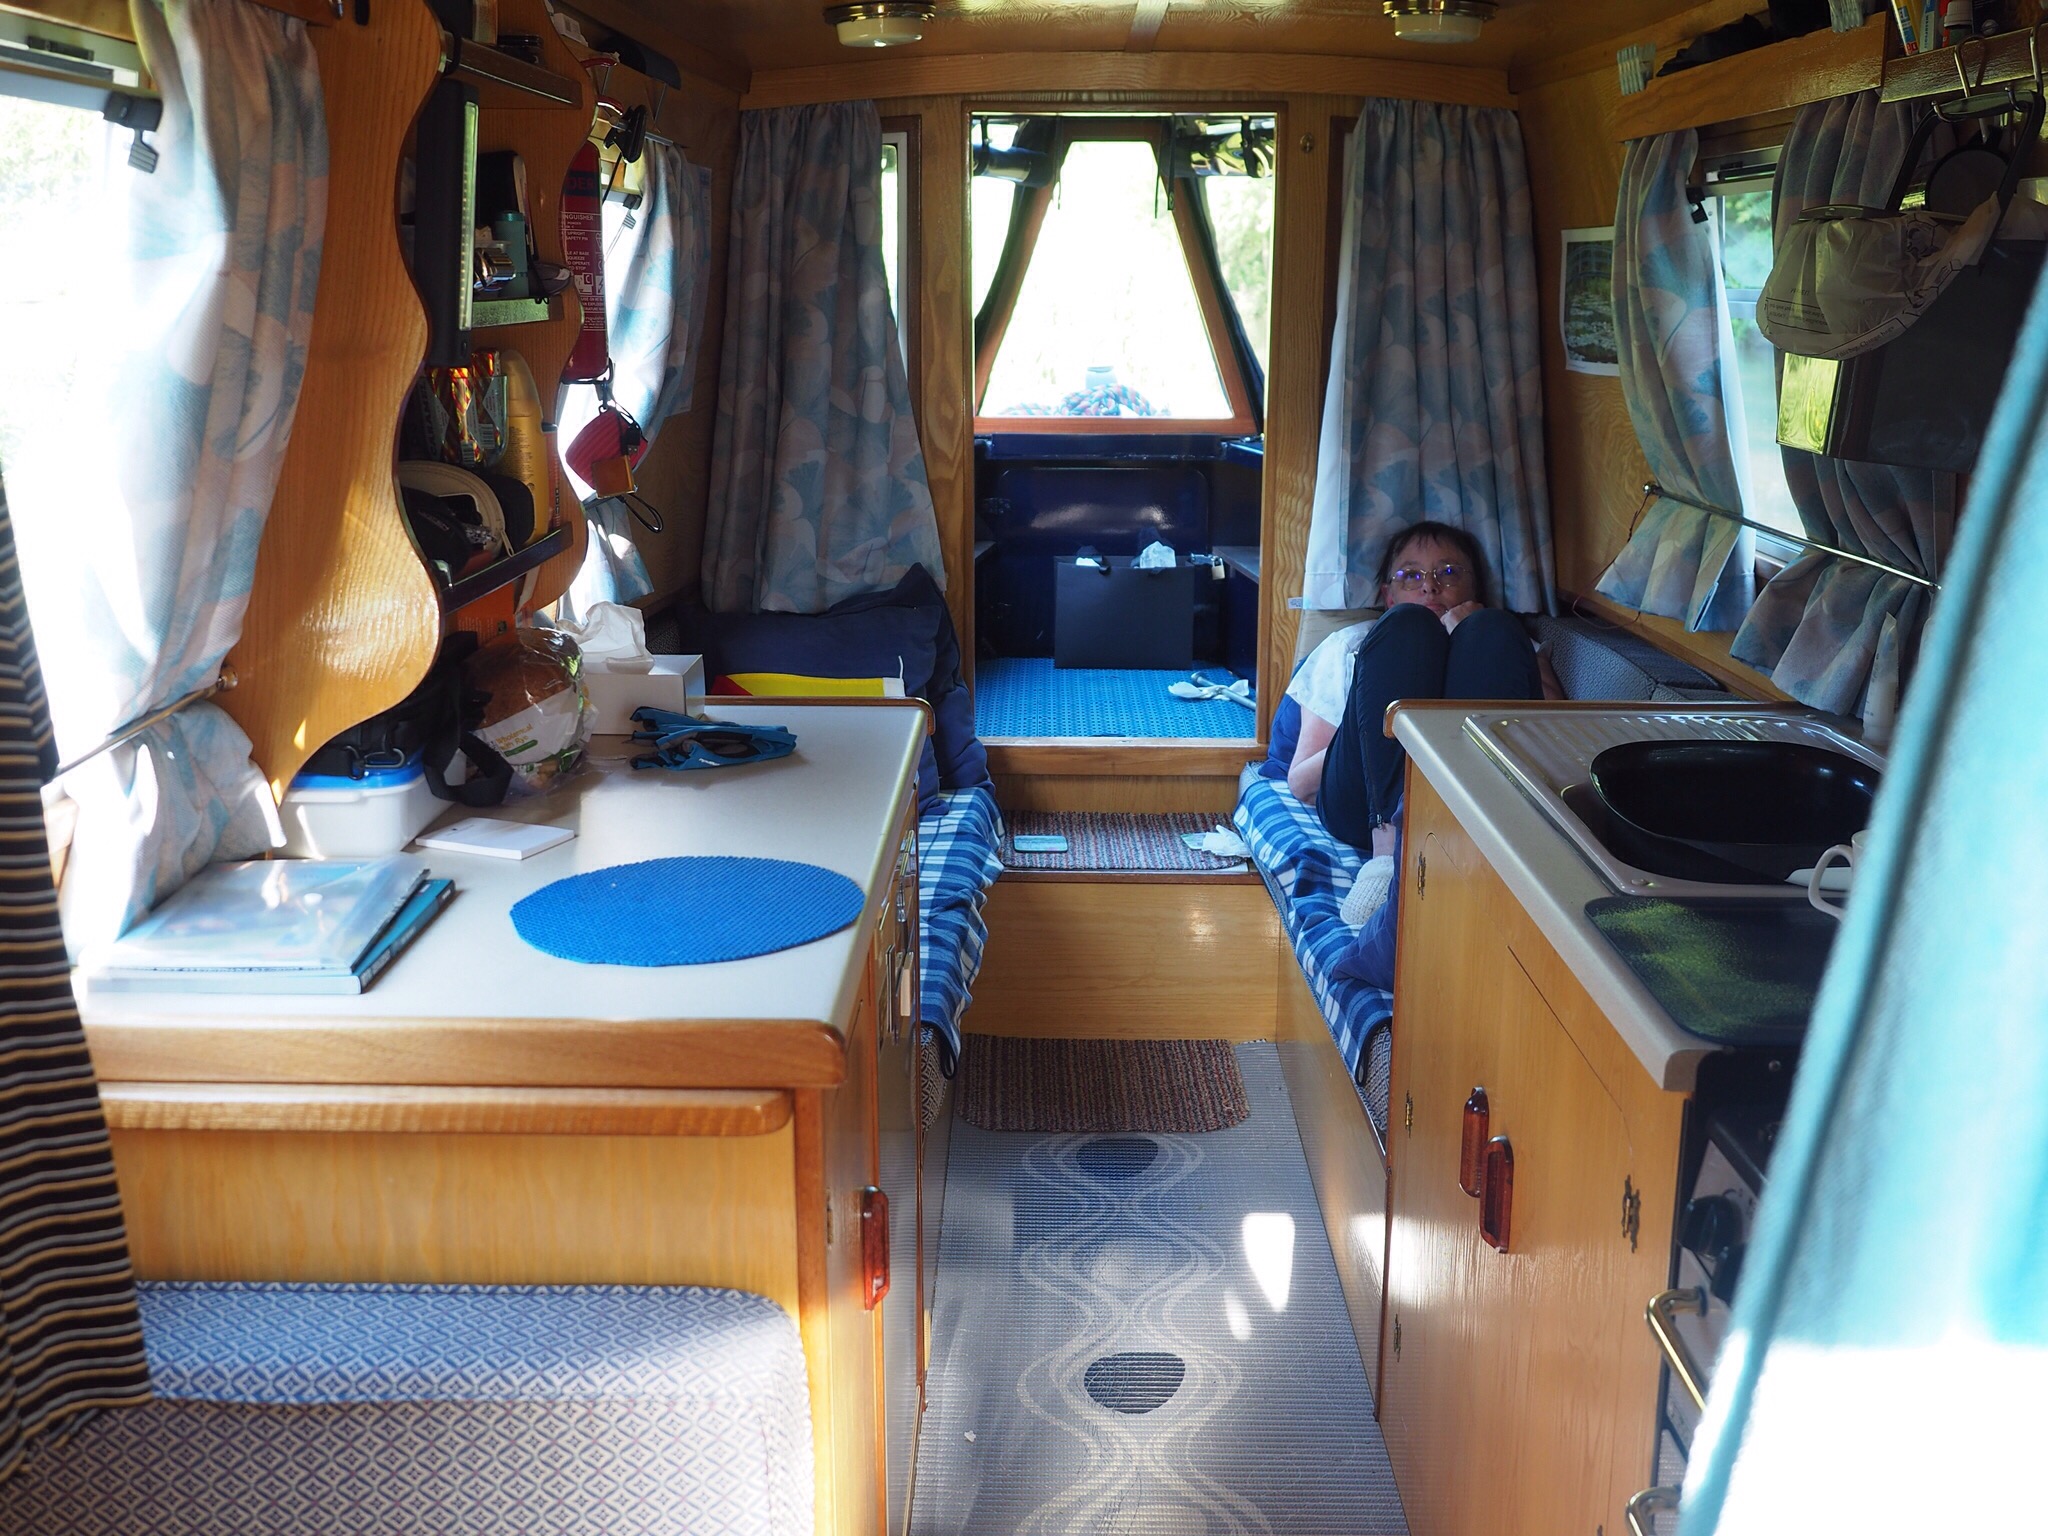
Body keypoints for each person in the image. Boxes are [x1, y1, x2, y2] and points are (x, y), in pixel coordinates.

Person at [1285, 521, 1555, 982]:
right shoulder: (1349, 644)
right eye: (1411, 575)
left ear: (1475, 587)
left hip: (1462, 808)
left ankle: (1470, 849)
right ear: (1387, 593)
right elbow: (1302, 782)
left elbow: (1553, 740)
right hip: (1359, 805)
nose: (1430, 586)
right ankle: (1388, 852)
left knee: (1491, 631)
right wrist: (1375, 720)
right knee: (1407, 629)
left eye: (1448, 572)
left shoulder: (1514, 644)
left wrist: (1466, 636)